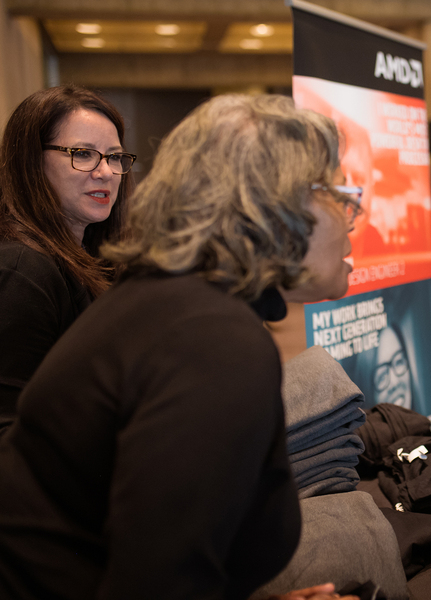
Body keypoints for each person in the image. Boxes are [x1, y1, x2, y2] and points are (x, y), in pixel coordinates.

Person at [0, 94, 359, 600]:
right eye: (332, 191)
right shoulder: (212, 339)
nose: (350, 214)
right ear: (267, 209)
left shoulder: (181, 303)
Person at [0, 85, 133, 435]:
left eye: (115, 157)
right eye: (83, 154)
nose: (106, 172)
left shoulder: (89, 258)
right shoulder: (22, 271)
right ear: (31, 161)